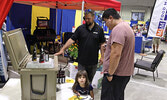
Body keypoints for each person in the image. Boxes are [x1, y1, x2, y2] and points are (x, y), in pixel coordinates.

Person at [55, 10, 106, 82]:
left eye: (89, 18)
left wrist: (103, 57)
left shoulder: (99, 29)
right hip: (82, 62)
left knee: (89, 81)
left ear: (93, 17)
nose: (87, 20)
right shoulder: (80, 29)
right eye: (85, 18)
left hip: (93, 62)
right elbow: (71, 40)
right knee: (81, 81)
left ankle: (87, 92)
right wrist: (62, 49)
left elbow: (102, 44)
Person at [101, 8, 135, 100]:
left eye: (105, 22)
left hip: (116, 74)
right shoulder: (126, 27)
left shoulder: (118, 29)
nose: (106, 25)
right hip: (123, 73)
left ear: (110, 18)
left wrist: (110, 74)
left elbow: (116, 54)